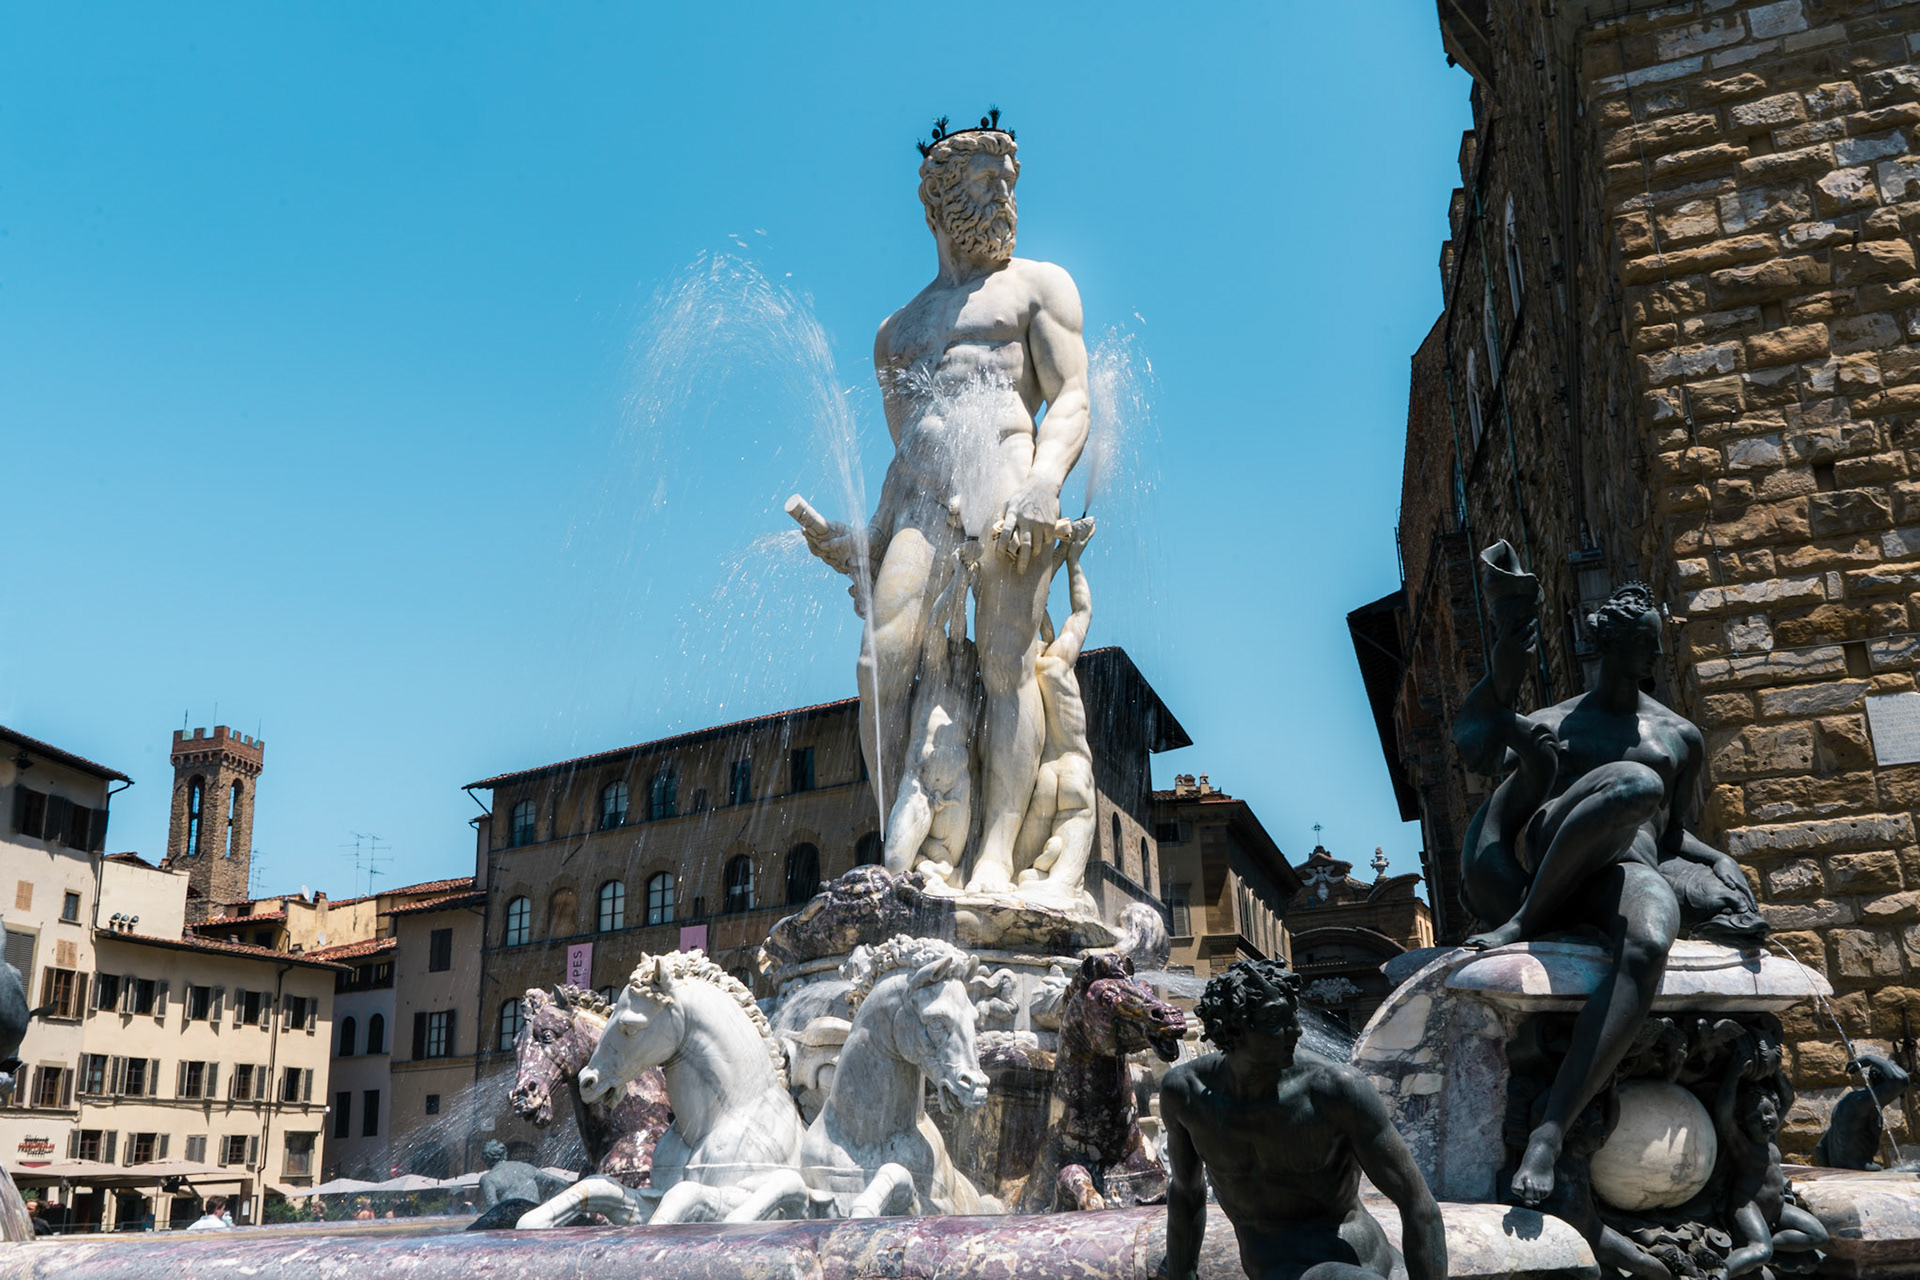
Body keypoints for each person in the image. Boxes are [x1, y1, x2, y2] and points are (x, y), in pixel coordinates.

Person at [800, 114, 1090, 892]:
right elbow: (907, 452)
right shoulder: (896, 332)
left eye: (1008, 184)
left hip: (1008, 483)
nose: (1005, 198)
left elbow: (1070, 399)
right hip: (923, 502)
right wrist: (860, 539)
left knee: (1007, 664)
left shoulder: (1039, 285)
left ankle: (995, 854)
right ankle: (905, 844)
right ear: (939, 200)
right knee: (878, 662)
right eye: (987, 183)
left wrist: (1043, 482)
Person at [1454, 546, 1762, 1206]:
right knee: (1632, 784)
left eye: (1656, 648)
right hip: (1556, 869)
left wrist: (1719, 862)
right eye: (1644, 649)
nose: (1654, 661)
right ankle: (1525, 923)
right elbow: (1473, 742)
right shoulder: (1554, 725)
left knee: (1648, 944)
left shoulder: (1679, 735)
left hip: (1628, 868)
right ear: (1611, 648)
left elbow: (1671, 836)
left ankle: (1549, 1128)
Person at [1160, 958, 1445, 1280]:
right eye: (1273, 1019)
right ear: (1233, 1027)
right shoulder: (1186, 1094)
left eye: (1292, 1015)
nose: (1296, 1031)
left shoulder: (1334, 1090)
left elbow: (1420, 1206)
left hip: (1356, 1268)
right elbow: (1185, 1194)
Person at [1013, 518, 1097, 901]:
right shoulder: (1058, 661)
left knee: (1014, 876)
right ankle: (1053, 870)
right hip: (1075, 769)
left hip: (1043, 778)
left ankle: (1035, 868)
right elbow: (1082, 611)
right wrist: (1073, 559)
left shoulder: (1021, 672)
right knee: (1063, 890)